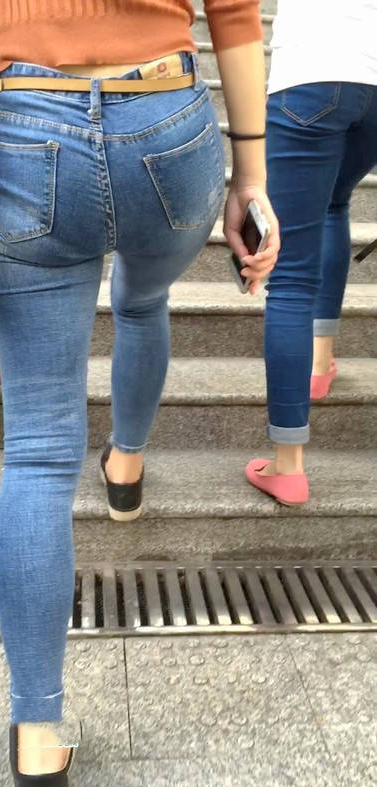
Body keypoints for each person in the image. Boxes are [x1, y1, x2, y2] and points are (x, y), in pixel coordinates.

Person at [0, 1, 279, 787]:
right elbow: (233, 15)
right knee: (144, 303)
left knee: (39, 453)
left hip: (29, 126)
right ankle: (125, 468)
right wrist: (252, 180)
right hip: (167, 123)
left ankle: (37, 736)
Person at [246, 0, 377, 507]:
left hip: (311, 72)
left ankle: (288, 466)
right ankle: (319, 365)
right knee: (335, 203)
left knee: (291, 279)